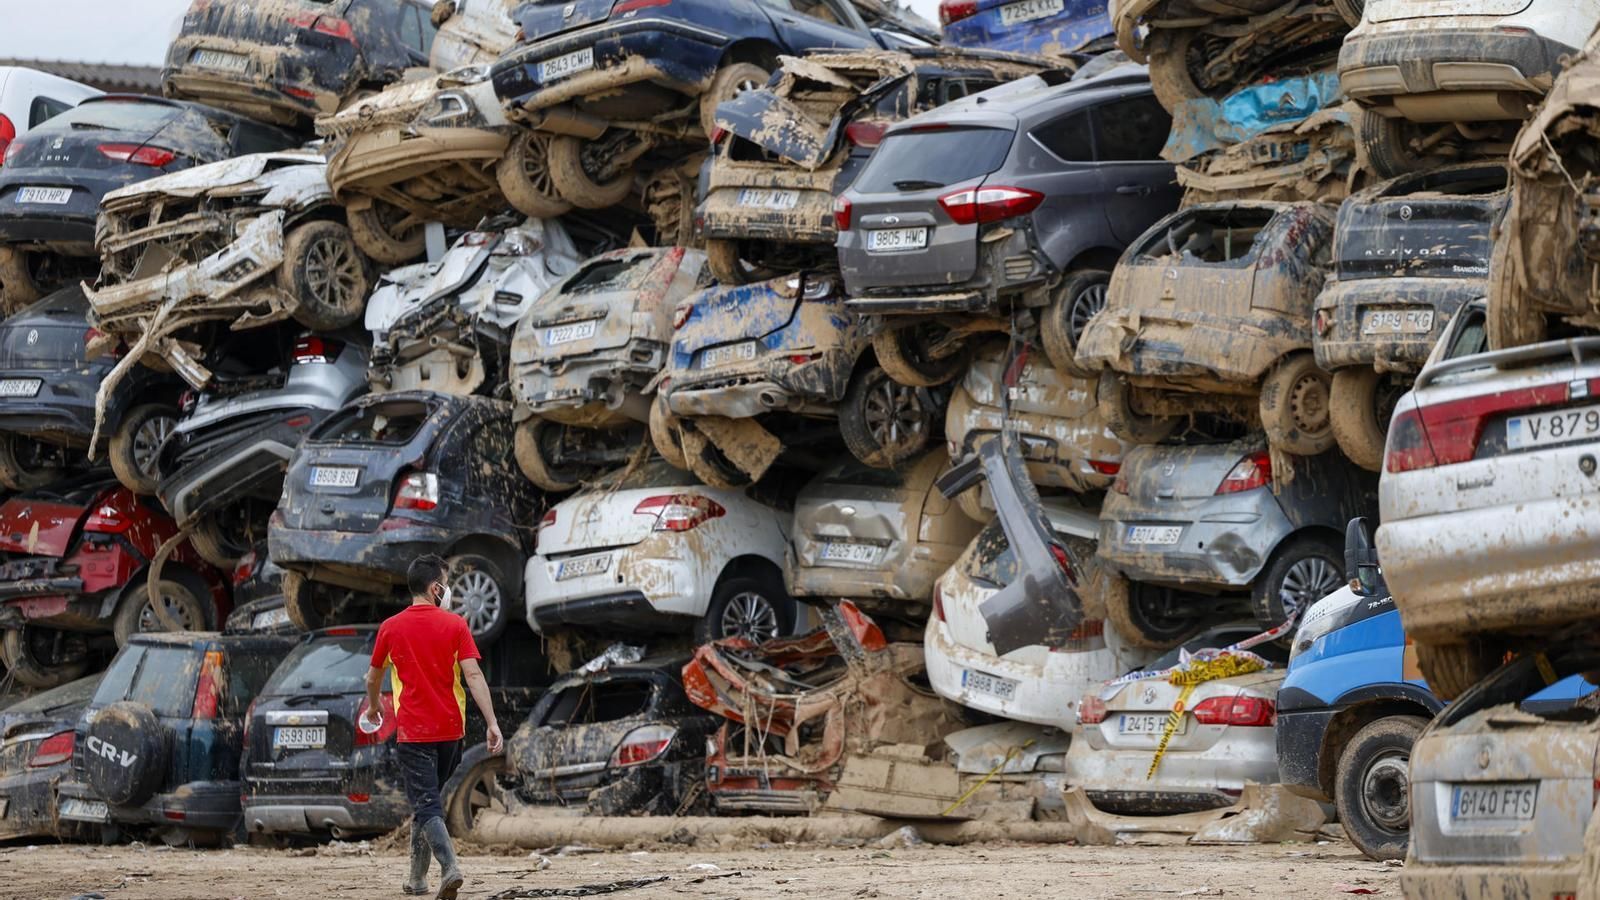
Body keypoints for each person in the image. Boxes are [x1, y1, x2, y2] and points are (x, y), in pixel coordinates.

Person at [363, 554, 504, 899]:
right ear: (435, 587)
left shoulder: (391, 628)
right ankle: (416, 879)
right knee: (426, 803)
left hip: (414, 734)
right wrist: (492, 722)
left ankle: (450, 867)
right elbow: (473, 675)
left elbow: (373, 677)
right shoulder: (455, 625)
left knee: (426, 805)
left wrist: (374, 705)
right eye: (446, 582)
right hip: (451, 734)